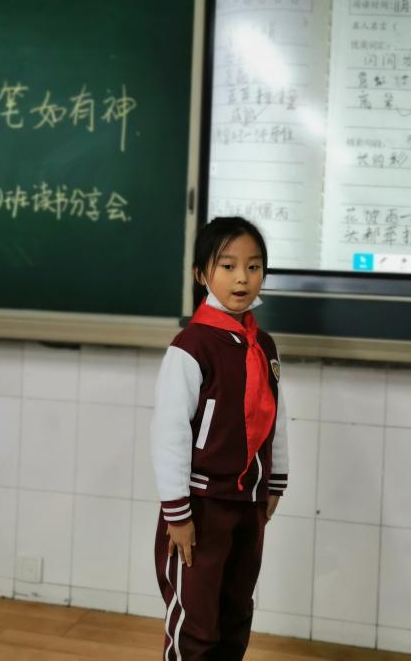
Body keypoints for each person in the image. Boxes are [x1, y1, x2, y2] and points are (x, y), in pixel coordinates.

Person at [150, 216, 288, 661]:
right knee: (196, 623)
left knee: (235, 615)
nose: (242, 278)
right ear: (201, 274)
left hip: (248, 504)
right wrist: (177, 513)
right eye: (227, 266)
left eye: (253, 266)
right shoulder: (191, 346)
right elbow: (170, 432)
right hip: (201, 507)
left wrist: (275, 481)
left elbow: (276, 417)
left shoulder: (263, 345)